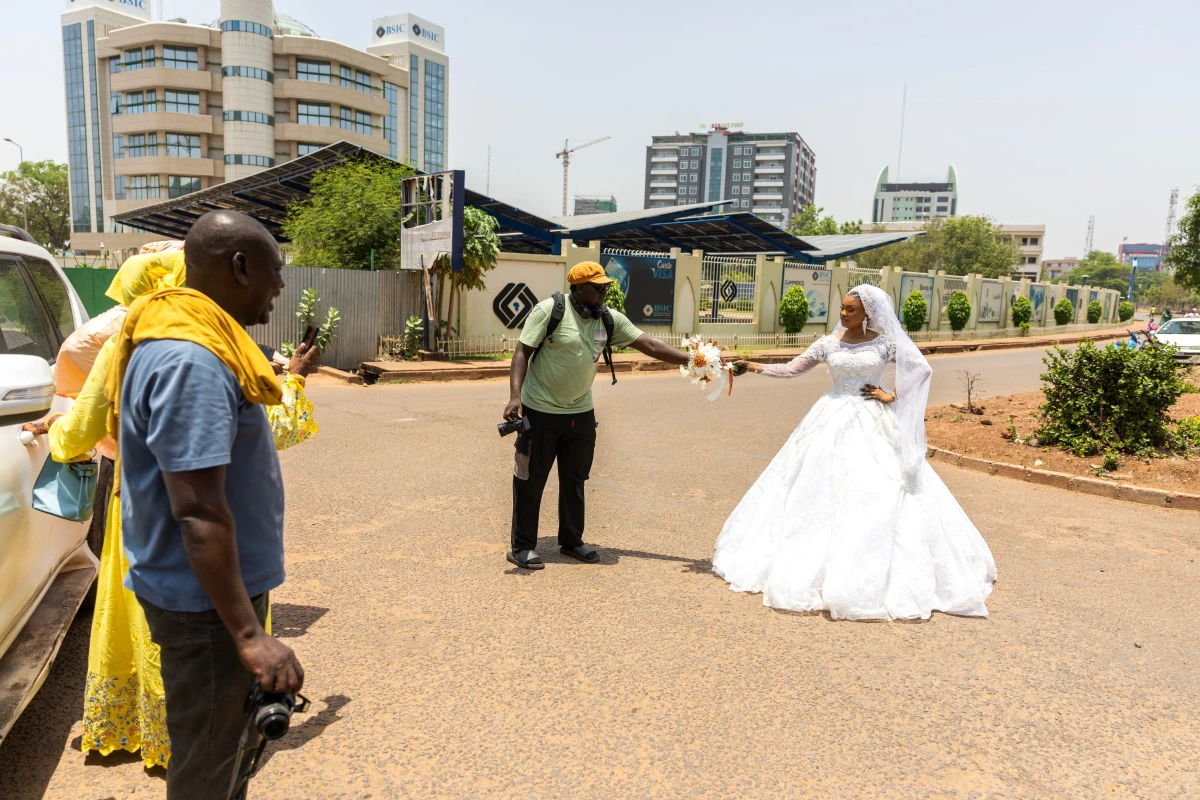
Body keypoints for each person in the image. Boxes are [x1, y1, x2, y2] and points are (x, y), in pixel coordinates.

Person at [23, 248, 319, 771]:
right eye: (271, 272)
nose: (275, 285)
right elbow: (271, 431)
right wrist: (293, 380)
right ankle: (198, 748)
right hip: (209, 508)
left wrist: (56, 423)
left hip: (131, 504)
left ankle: (154, 733)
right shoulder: (212, 349)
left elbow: (76, 436)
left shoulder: (125, 343)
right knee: (204, 632)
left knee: (142, 617)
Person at [106, 209, 303, 798]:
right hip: (207, 609)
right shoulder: (191, 360)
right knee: (208, 770)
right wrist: (248, 635)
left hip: (210, 597)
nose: (280, 285)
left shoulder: (195, 339)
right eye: (275, 270)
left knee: (226, 754)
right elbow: (198, 513)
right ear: (241, 267)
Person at [715, 285, 997, 621]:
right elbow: (792, 369)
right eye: (842, 309)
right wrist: (752, 366)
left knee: (879, 489)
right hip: (829, 418)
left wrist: (894, 394)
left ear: (868, 314)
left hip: (872, 419)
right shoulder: (827, 344)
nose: (843, 314)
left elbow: (921, 369)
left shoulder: (885, 342)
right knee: (813, 486)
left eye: (851, 310)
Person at [503, 261, 690, 569]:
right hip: (540, 410)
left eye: (606, 286)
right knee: (530, 479)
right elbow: (522, 351)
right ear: (578, 288)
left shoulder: (607, 318)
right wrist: (514, 396)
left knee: (575, 479)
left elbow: (651, 344)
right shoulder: (549, 311)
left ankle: (572, 541)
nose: (605, 290)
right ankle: (522, 546)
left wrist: (694, 360)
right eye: (598, 286)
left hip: (580, 413)